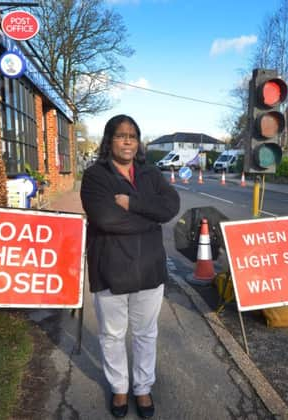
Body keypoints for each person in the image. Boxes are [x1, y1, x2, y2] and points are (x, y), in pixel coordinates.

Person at [80, 114, 180, 418]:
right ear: (109, 140)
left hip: (148, 267)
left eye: (132, 136)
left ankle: (142, 388)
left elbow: (171, 208)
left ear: (138, 143)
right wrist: (150, 220)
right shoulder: (96, 176)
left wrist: (133, 204)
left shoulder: (150, 174)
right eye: (121, 135)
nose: (127, 141)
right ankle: (120, 388)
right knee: (112, 335)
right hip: (111, 266)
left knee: (145, 333)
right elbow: (106, 219)